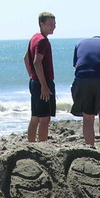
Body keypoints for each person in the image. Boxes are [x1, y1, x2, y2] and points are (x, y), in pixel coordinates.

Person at [71, 35, 100, 149]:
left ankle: (90, 146)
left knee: (87, 116)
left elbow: (76, 66)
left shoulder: (79, 43)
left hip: (83, 78)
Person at [24, 12, 57, 142]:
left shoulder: (34, 38)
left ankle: (31, 144)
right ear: (41, 24)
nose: (53, 27)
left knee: (36, 116)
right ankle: (42, 146)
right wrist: (43, 84)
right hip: (43, 82)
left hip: (35, 81)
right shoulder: (42, 41)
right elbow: (36, 62)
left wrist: (32, 76)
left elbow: (26, 58)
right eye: (50, 24)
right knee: (44, 118)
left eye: (54, 24)